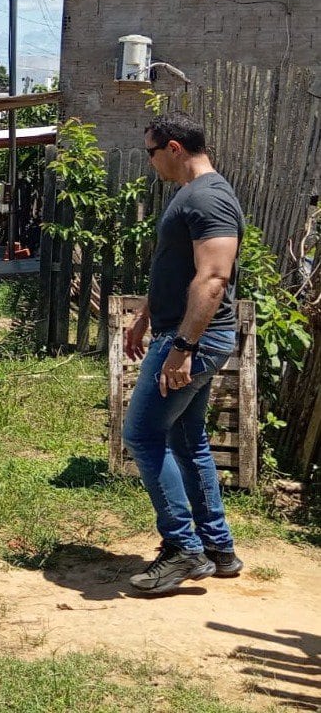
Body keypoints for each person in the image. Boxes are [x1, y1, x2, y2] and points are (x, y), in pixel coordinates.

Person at [122, 113, 244, 593]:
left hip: (196, 338)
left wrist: (183, 347)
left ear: (174, 148)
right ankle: (218, 547)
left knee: (143, 434)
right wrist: (146, 315)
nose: (150, 162)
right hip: (182, 331)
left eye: (151, 152)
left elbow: (213, 278)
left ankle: (183, 549)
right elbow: (179, 270)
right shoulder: (192, 195)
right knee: (187, 439)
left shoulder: (209, 198)